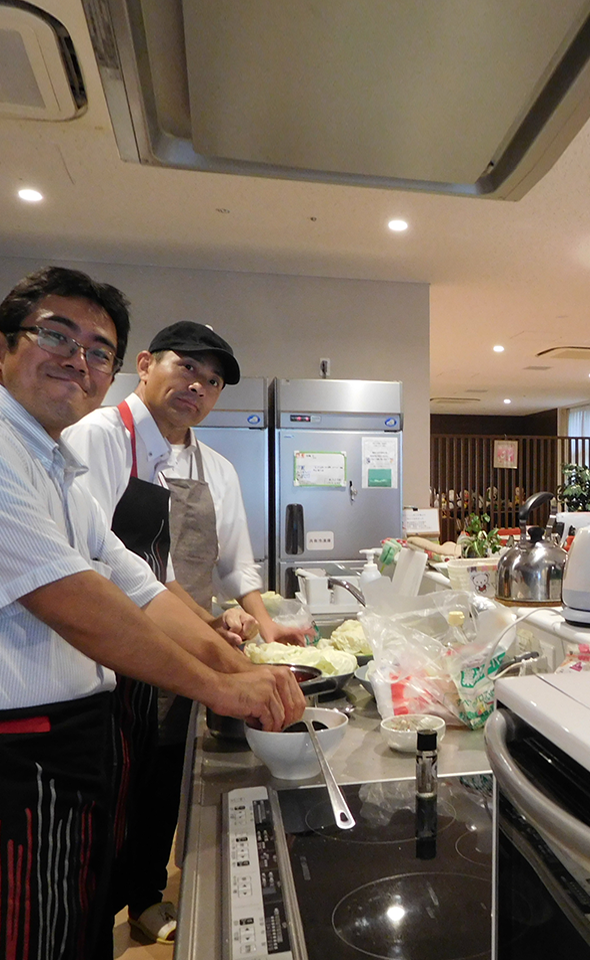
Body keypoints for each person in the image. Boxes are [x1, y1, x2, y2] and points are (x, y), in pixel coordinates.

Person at [0, 266, 304, 960]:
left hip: (77, 725)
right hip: (22, 747)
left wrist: (237, 658)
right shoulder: (52, 445)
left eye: (94, 351)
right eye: (55, 335)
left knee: (72, 917)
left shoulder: (54, 464)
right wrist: (224, 684)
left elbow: (133, 579)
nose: (78, 360)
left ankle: (133, 902)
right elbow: (74, 599)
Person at [64, 321, 307, 942]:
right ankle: (103, 907)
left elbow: (234, 563)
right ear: (145, 365)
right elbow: (108, 562)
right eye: (187, 368)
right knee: (114, 784)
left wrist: (261, 622)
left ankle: (144, 897)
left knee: (164, 774)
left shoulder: (213, 465)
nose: (198, 386)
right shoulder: (98, 435)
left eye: (213, 380)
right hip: (113, 642)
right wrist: (212, 629)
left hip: (191, 636)